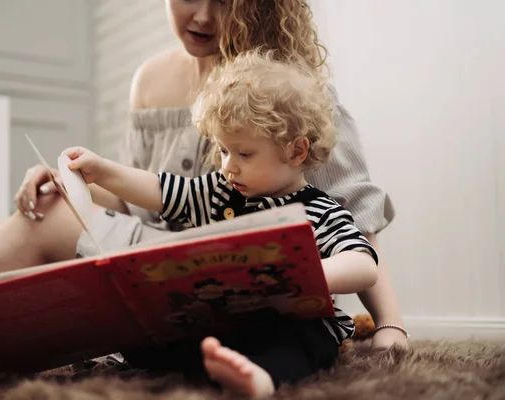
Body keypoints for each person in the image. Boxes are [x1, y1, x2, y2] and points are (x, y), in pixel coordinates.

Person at [0, 0, 406, 383]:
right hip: (145, 265)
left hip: (220, 280)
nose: (204, 16)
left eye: (227, 1)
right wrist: (72, 182)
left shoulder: (291, 94)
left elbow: (355, 221)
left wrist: (390, 324)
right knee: (52, 213)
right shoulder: (150, 80)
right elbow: (138, 199)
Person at [58, 49, 379, 398]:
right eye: (224, 151)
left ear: (296, 151)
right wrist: (103, 171)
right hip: (227, 317)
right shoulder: (219, 192)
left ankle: (260, 380)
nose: (228, 166)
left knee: (298, 343)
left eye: (244, 154)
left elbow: (363, 264)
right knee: (155, 337)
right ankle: (207, 363)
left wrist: (305, 274)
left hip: (293, 321)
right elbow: (160, 191)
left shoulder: (320, 209)